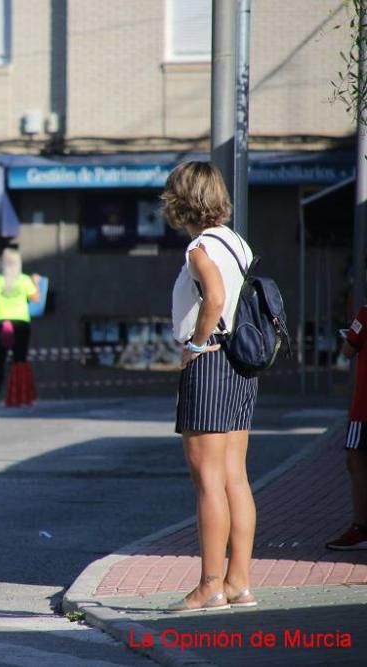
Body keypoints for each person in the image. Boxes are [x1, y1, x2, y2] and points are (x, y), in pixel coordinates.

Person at [163, 161, 259, 611]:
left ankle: (210, 584)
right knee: (235, 478)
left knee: (207, 480)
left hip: (212, 363)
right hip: (240, 365)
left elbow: (215, 298)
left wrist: (197, 345)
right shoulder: (236, 241)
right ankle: (239, 581)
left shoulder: (200, 247)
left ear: (183, 199)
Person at [325, 313, 367, 550]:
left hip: (364, 407)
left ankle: (361, 527)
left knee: (356, 459)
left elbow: (348, 350)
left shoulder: (366, 313)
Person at [0, 247, 40, 396]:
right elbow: (36, 299)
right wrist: (35, 283)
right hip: (20, 322)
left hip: (0, 322)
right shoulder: (24, 280)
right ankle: (19, 388)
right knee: (20, 357)